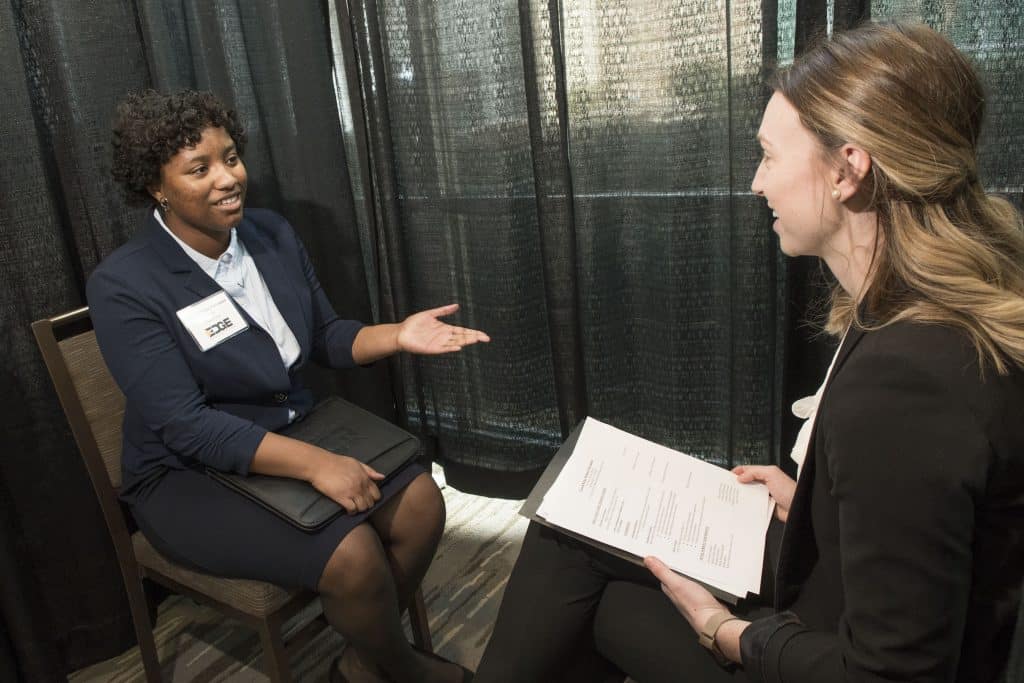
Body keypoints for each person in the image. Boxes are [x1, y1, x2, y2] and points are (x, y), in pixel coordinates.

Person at [475, 22, 1024, 683]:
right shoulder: (927, 307)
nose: (756, 183)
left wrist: (730, 634)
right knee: (570, 535)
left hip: (833, 644)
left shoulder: (907, 379)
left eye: (768, 155)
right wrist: (821, 501)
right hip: (843, 601)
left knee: (597, 604)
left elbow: (894, 674)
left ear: (849, 169)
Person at [87, 89, 488, 683]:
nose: (228, 178)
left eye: (231, 157)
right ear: (157, 187)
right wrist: (316, 465)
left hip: (289, 427)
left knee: (421, 505)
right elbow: (186, 425)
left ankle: (360, 655)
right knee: (352, 555)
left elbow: (325, 336)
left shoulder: (271, 234)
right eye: (200, 168)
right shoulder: (125, 284)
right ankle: (399, 667)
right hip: (185, 473)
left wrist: (398, 335)